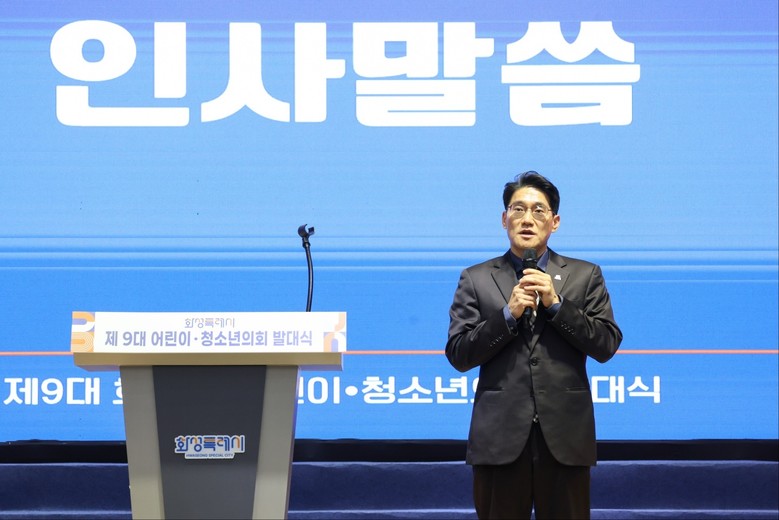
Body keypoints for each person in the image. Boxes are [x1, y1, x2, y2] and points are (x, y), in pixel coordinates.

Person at [445, 171, 622, 520]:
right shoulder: (476, 278)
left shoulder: (585, 275)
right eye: (518, 209)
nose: (527, 219)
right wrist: (507, 316)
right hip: (499, 439)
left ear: (555, 222)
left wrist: (556, 305)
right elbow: (459, 354)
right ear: (504, 219)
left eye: (539, 210)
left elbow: (606, 344)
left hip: (566, 438)